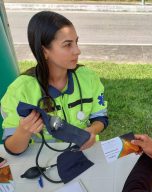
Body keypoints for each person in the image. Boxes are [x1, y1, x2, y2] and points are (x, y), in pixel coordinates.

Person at [0, 11, 108, 155]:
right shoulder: (20, 90)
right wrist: (23, 132)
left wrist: (92, 130)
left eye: (76, 42)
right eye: (67, 45)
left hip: (84, 154)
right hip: (44, 162)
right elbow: (13, 149)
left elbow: (100, 117)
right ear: (44, 51)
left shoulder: (88, 78)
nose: (77, 51)